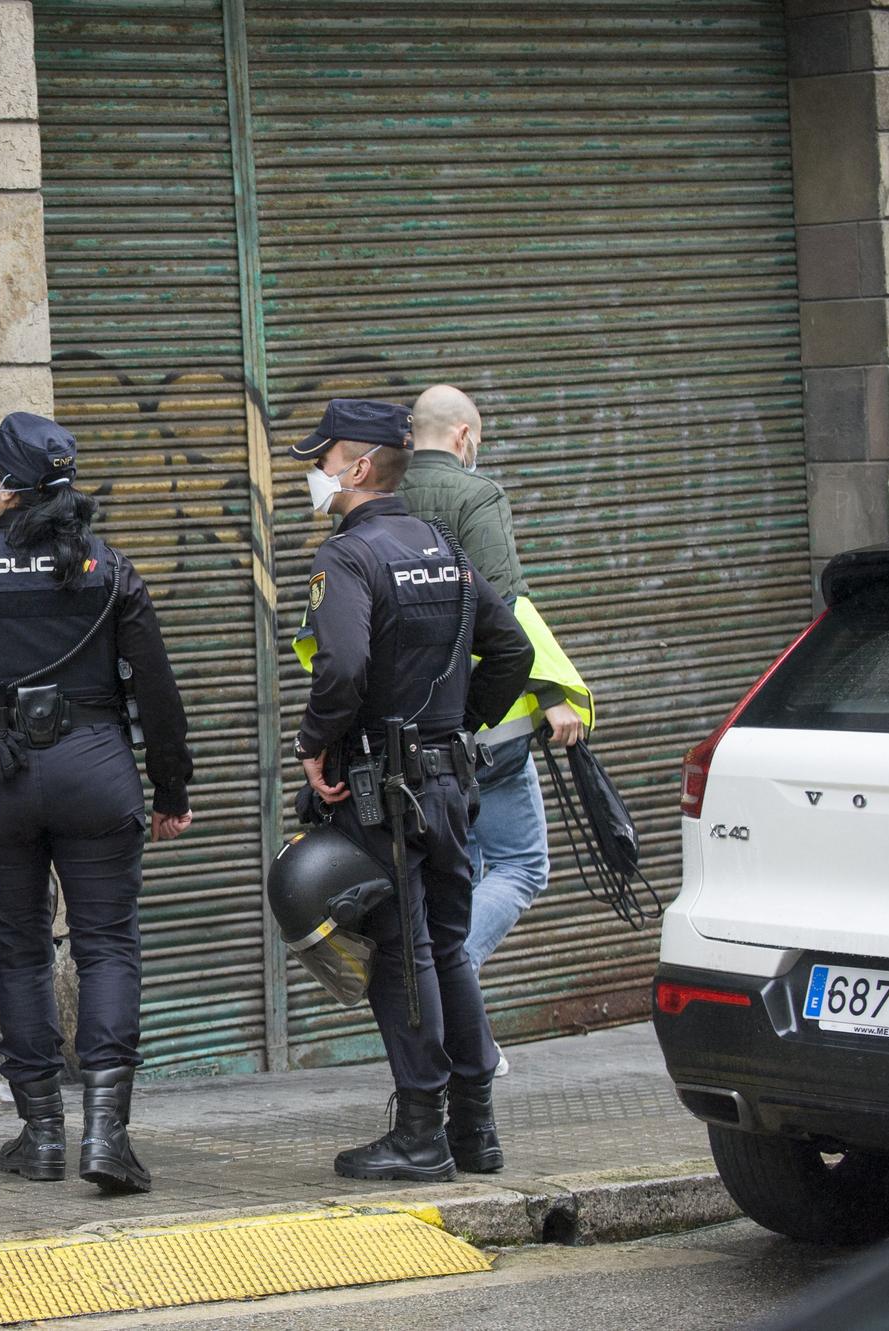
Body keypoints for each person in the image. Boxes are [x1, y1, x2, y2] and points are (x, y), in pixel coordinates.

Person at [0, 412, 194, 1196]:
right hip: (97, 770)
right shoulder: (111, 568)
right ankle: (106, 1132)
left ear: (7, 486)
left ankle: (41, 1134)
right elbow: (158, 691)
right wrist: (172, 789)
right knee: (106, 945)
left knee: (22, 951)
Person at [287, 398, 532, 1181]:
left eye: (323, 461)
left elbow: (345, 668)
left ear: (357, 468)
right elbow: (513, 649)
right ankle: (476, 1130)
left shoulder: (347, 558)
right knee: (449, 948)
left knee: (403, 954)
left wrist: (315, 744)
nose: (314, 475)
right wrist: (461, 725)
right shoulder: (442, 546)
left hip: (383, 791)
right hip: (450, 784)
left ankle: (422, 1133)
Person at [400, 386, 596, 1071]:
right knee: (521, 864)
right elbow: (504, 608)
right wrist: (549, 695)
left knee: (462, 870)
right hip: (487, 724)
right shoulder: (475, 496)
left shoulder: (382, 498)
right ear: (462, 438)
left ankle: (467, 1033)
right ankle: (446, 990)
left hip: (408, 727)